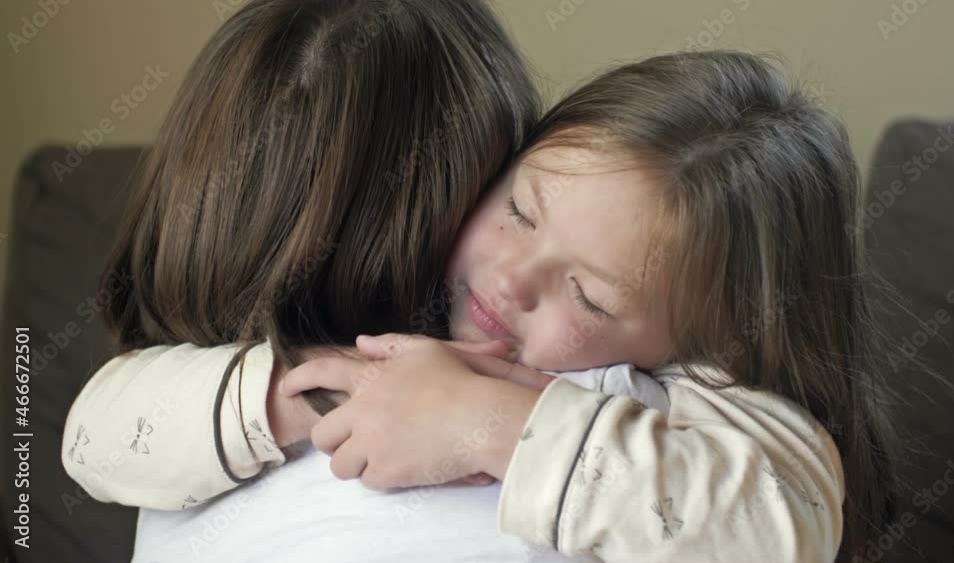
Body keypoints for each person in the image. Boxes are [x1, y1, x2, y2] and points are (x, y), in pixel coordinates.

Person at [63, 5, 894, 558]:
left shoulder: (682, 415)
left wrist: (486, 421)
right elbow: (88, 437)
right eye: (520, 211)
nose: (510, 276)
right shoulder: (348, 323)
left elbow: (785, 523)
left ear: (703, 340)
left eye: (592, 296)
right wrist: (336, 391)